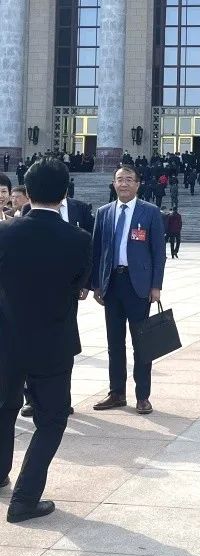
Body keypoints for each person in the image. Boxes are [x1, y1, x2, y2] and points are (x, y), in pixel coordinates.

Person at [0, 159, 91, 523]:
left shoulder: (4, 232)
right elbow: (80, 287)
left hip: (7, 338)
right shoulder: (79, 239)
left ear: (26, 190)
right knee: (51, 419)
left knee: (4, 407)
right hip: (53, 341)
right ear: (65, 192)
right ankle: (24, 499)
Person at [91, 165, 166, 415]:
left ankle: (142, 396)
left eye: (129, 179)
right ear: (113, 184)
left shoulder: (150, 211)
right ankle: (116, 393)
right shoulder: (104, 212)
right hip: (112, 283)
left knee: (141, 343)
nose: (123, 184)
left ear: (138, 184)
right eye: (119, 179)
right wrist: (96, 283)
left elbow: (158, 252)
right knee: (114, 343)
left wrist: (156, 286)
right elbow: (97, 251)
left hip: (138, 286)